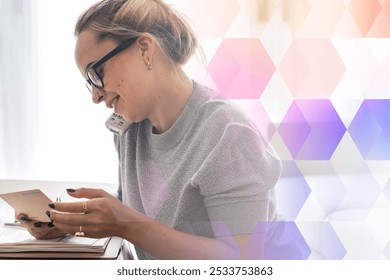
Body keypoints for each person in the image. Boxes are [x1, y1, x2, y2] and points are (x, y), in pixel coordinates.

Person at [17, 0, 281, 260]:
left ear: (144, 50)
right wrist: (68, 222)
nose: (96, 97)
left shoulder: (229, 134)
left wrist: (123, 223)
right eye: (90, 82)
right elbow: (138, 215)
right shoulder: (129, 129)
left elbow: (244, 262)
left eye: (97, 73)